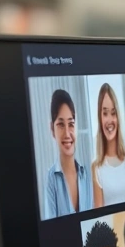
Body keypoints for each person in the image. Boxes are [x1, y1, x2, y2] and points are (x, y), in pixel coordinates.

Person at [42, 89, 92, 219]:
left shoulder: (87, 174)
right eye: (60, 125)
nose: (67, 134)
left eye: (71, 124)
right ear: (52, 129)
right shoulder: (51, 179)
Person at [91, 83, 125, 207]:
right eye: (105, 113)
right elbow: (99, 218)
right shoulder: (96, 168)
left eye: (113, 113)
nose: (110, 120)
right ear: (99, 118)